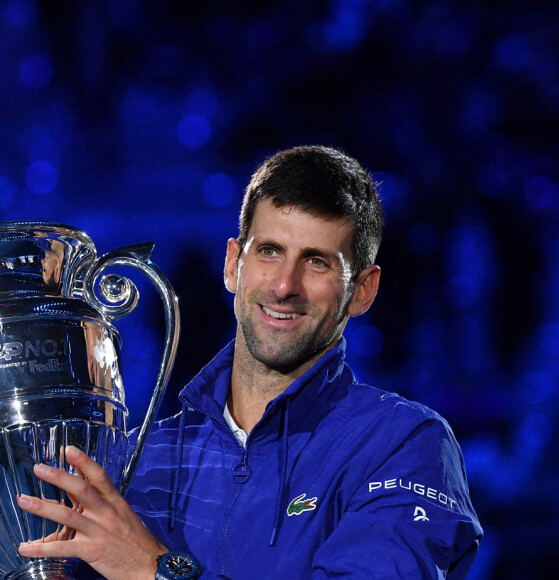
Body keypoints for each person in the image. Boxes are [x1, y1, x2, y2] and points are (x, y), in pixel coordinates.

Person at [17, 145, 483, 579]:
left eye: (317, 262)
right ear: (232, 264)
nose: (284, 285)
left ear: (362, 290)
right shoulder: (135, 460)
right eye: (269, 251)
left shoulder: (402, 444)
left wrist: (154, 568)